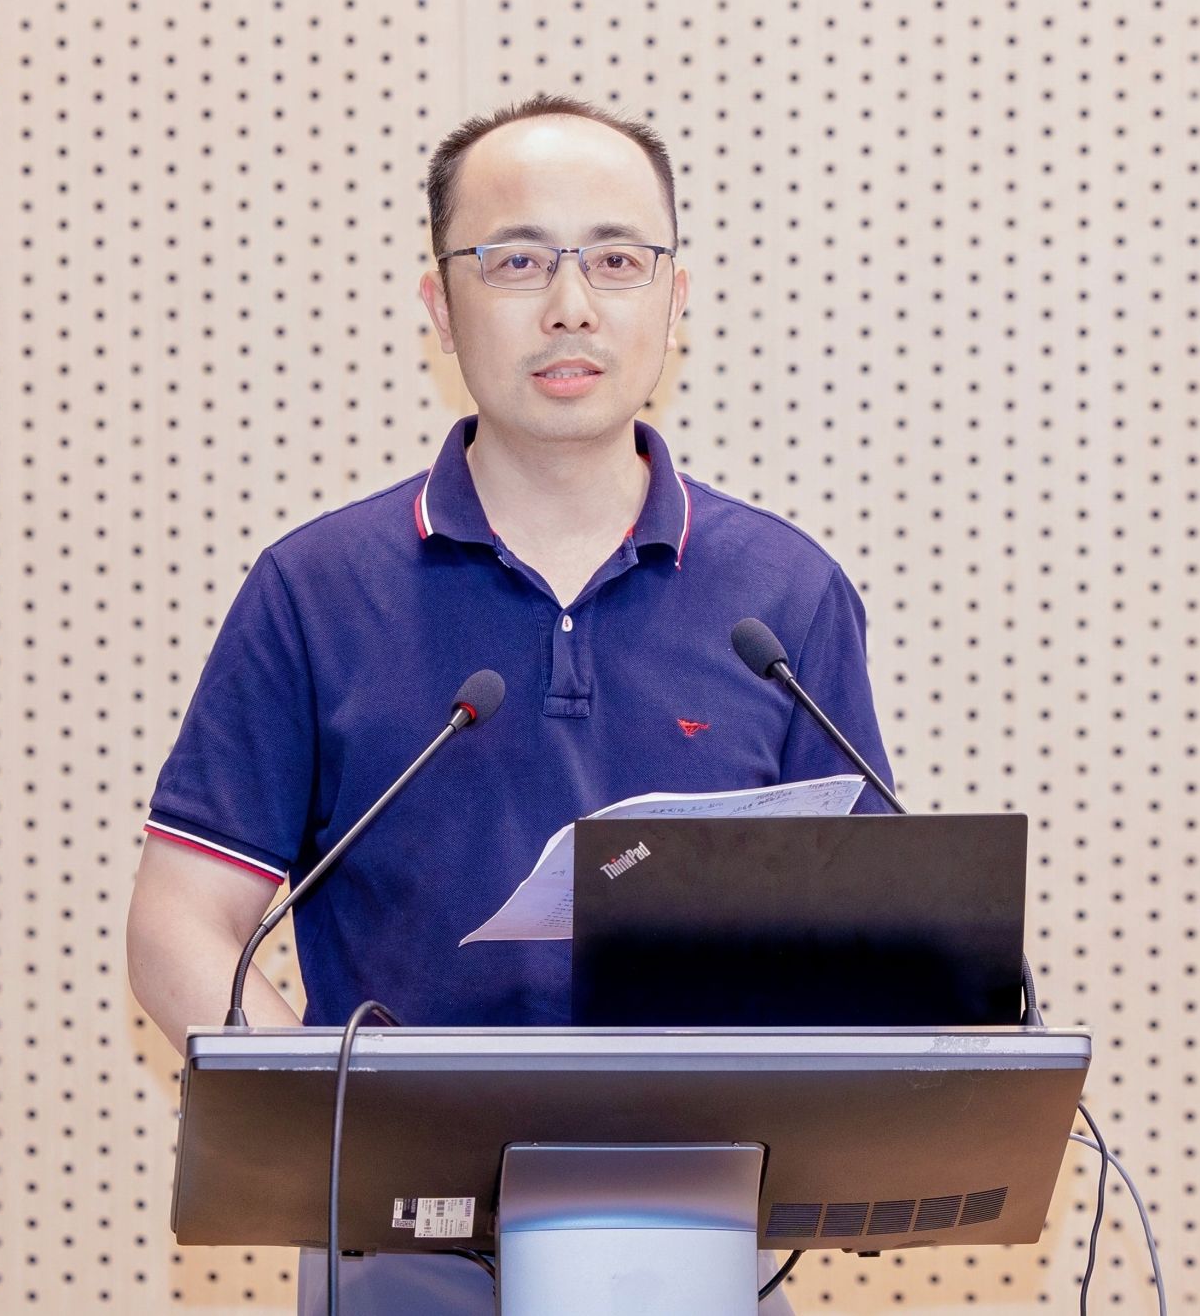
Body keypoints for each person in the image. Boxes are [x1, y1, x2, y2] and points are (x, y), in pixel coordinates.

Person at [125, 92, 893, 1315]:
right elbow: (180, 923)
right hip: (400, 1252)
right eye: (516, 260)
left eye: (616, 260)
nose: (570, 304)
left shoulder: (783, 596)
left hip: (704, 1237)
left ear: (675, 300)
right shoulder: (315, 590)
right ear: (439, 305)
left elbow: (865, 944)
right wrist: (339, 1125)